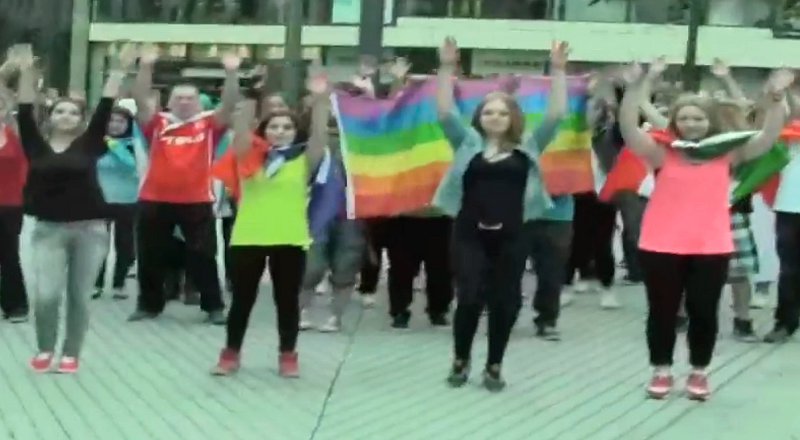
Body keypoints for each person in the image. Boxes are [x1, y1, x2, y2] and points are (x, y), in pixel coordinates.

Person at [618, 57, 790, 400]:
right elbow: (628, 129)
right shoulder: (661, 152)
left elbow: (769, 136)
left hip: (710, 245)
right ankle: (661, 370)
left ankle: (699, 371)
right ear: (675, 122)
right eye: (684, 118)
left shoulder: (729, 153)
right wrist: (635, 88)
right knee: (663, 311)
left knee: (703, 311)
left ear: (710, 121)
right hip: (661, 244)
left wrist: (773, 101)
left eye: (698, 118)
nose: (691, 123)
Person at [435, 37, 568, 391]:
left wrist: (557, 72)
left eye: (502, 112)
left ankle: (494, 365)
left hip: (513, 232)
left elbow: (556, 114)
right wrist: (447, 68)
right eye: (489, 111)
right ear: (480, 117)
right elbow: (446, 112)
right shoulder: (466, 143)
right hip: (468, 232)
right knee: (469, 296)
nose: (495, 117)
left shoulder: (529, 146)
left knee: (505, 300)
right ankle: (461, 359)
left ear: (513, 118)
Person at [16, 42, 134, 373]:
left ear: (82, 120)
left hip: (90, 230)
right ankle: (45, 347)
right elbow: (25, 110)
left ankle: (71, 353)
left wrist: (119, 69)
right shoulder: (36, 146)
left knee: (80, 297)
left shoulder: (90, 143)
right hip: (48, 231)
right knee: (46, 295)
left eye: (73, 112)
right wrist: (27, 71)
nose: (65, 116)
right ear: (51, 117)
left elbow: (106, 104)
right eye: (59, 111)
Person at [211, 64, 329, 377]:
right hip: (249, 236)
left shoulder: (303, 160)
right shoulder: (249, 156)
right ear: (263, 131)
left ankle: (288, 355)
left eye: (286, 127)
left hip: (289, 237)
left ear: (295, 132)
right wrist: (251, 91)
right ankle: (230, 353)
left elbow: (319, 134)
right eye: (273, 127)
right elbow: (241, 127)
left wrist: (319, 99)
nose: (279, 132)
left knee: (287, 301)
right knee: (242, 301)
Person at [127, 44, 240, 324]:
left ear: (200, 102)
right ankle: (148, 305)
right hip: (154, 199)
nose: (185, 102)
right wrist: (145, 67)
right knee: (150, 255)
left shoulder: (210, 125)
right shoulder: (157, 123)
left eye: (190, 98)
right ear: (170, 101)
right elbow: (141, 98)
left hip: (197, 200)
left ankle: (213, 306)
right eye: (179, 98)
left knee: (203, 256)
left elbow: (229, 104)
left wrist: (232, 72)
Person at [93, 104, 147, 300]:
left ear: (129, 124)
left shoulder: (136, 144)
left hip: (129, 201)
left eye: (120, 121)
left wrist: (115, 146)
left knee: (125, 245)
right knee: (98, 244)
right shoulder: (95, 142)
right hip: (100, 200)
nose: (115, 125)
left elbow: (134, 166)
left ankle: (119, 283)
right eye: (111, 121)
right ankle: (95, 284)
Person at [0, 56, 28, 322]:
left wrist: (11, 73)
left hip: (9, 204)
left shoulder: (13, 132)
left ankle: (16, 305)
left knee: (8, 254)